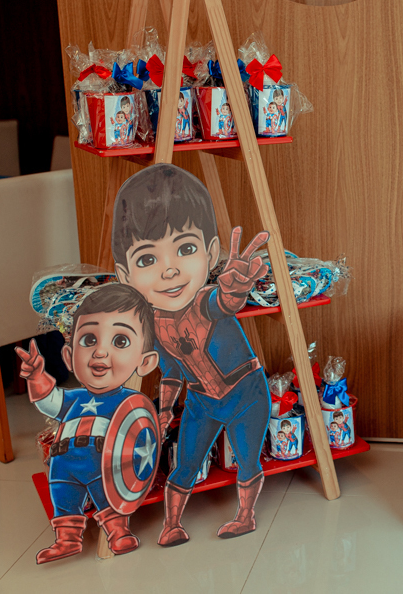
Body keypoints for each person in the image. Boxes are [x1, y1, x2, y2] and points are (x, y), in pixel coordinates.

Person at [111, 163, 271, 546]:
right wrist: (165, 409)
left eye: (185, 249)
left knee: (247, 458)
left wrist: (235, 288)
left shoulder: (204, 301)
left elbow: (223, 303)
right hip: (202, 401)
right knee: (184, 464)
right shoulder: (153, 324)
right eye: (147, 259)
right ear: (125, 275)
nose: (169, 271)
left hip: (247, 393)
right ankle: (171, 525)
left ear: (211, 252)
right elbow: (170, 370)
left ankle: (245, 515)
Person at [16, 283, 160, 564]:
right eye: (89, 339)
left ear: (145, 362)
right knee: (63, 498)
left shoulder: (128, 402)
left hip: (103, 464)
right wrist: (37, 378)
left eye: (120, 341)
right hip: (63, 462)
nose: (100, 352)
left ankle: (118, 532)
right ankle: (66, 539)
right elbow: (49, 401)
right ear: (69, 356)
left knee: (108, 498)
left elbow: (137, 432)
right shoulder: (74, 397)